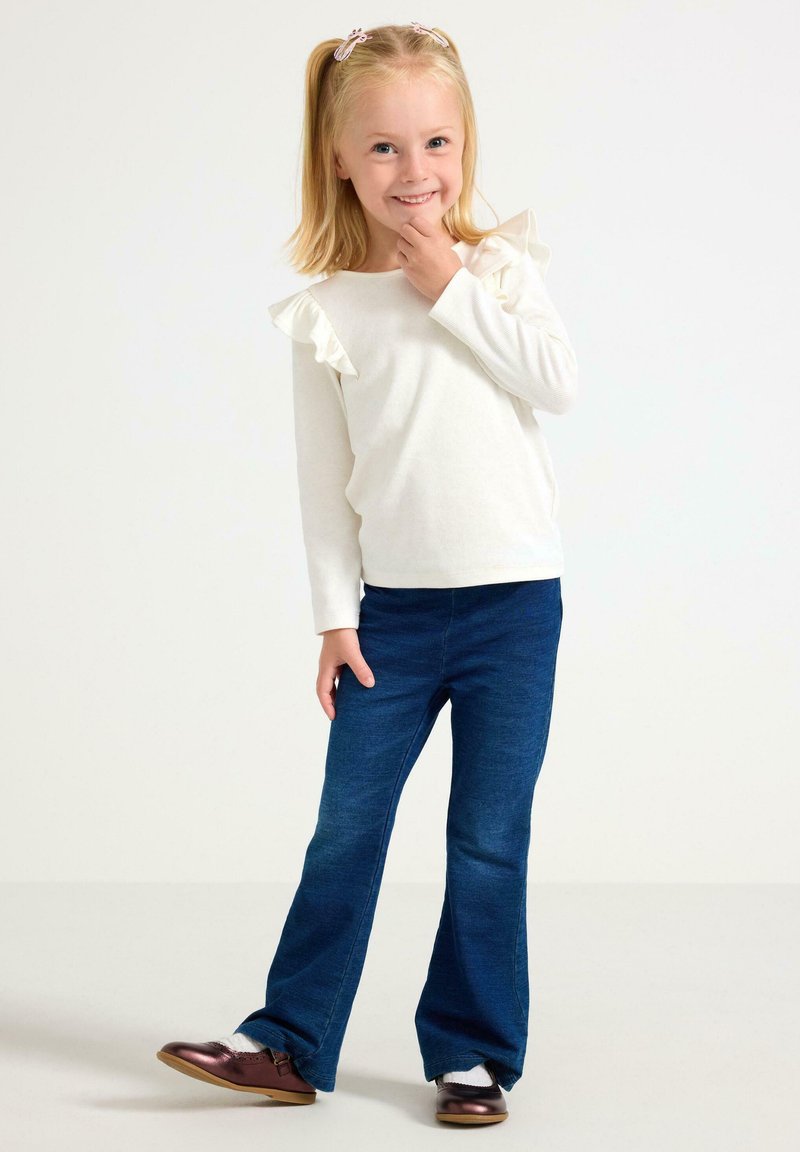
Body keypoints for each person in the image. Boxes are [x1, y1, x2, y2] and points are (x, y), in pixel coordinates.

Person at [157, 20, 578, 1125]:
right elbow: (323, 483)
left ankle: (472, 1055)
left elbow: (555, 382)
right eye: (383, 148)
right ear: (340, 159)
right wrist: (333, 619)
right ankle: (288, 1041)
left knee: (486, 838)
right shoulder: (328, 310)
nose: (413, 170)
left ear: (465, 146)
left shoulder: (502, 270)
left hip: (514, 608)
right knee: (346, 829)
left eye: (436, 143)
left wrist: (451, 284)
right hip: (391, 619)